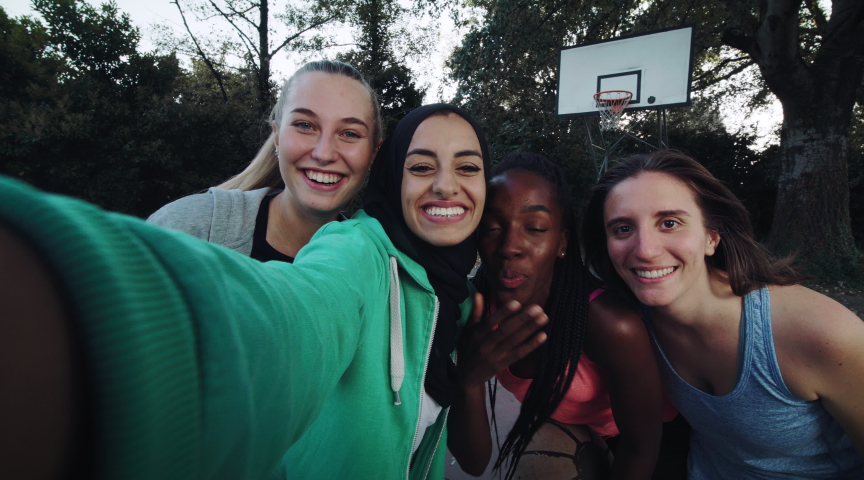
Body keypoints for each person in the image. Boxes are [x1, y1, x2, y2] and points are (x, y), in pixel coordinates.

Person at [0, 104, 545, 480]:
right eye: (421, 166)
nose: (447, 185)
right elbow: (287, 320)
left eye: (467, 168)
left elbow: (473, 461)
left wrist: (471, 378)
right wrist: (83, 292)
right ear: (393, 184)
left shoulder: (459, 302)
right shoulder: (356, 253)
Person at [581, 150, 864, 478]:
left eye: (669, 223)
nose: (646, 250)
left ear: (712, 236)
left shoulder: (823, 334)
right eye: (623, 229)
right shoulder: (625, 324)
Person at [452, 152, 685, 480]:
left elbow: (641, 445)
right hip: (576, 428)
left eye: (534, 228)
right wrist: (469, 380)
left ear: (561, 242)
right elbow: (473, 463)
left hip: (649, 443)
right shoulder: (473, 311)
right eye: (491, 227)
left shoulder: (610, 325)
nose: (509, 246)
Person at [148, 59, 382, 261]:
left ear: (373, 153)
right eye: (305, 125)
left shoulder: (378, 270)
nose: (324, 153)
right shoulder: (188, 228)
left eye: (350, 133)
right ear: (278, 136)